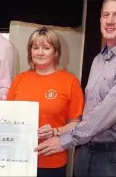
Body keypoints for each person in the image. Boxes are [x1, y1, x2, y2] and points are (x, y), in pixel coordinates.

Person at [35, 0, 116, 177]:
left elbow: (104, 114)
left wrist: (63, 140)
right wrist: (58, 132)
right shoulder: (99, 59)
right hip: (87, 153)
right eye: (105, 15)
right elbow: (89, 114)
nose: (110, 21)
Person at [7, 27, 84, 177]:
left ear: (56, 52)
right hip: (18, 158)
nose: (40, 52)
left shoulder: (70, 82)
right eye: (35, 47)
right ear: (30, 51)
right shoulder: (19, 79)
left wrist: (56, 131)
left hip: (52, 160)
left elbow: (77, 123)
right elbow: (8, 116)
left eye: (46, 48)